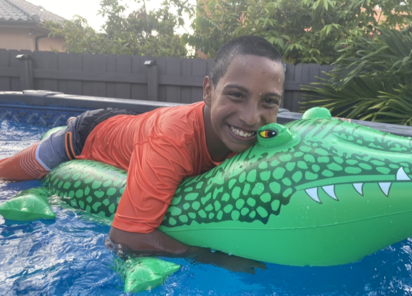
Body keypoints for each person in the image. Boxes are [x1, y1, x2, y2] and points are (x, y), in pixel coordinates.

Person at [0, 35, 285, 273]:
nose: (251, 117)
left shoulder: (260, 140)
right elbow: (125, 236)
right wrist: (213, 257)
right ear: (209, 91)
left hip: (132, 126)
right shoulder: (173, 141)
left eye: (269, 101)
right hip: (85, 135)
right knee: (7, 173)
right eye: (236, 94)